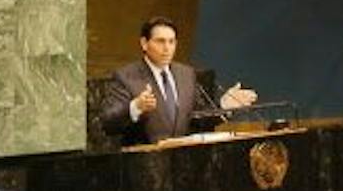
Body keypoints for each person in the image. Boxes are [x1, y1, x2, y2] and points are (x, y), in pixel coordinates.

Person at [97, 16, 255, 146]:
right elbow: (108, 123)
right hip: (145, 165)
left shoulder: (186, 74)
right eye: (160, 41)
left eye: (171, 41)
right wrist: (135, 107)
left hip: (183, 163)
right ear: (144, 43)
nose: (167, 48)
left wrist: (223, 106)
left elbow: (198, 120)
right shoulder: (126, 76)